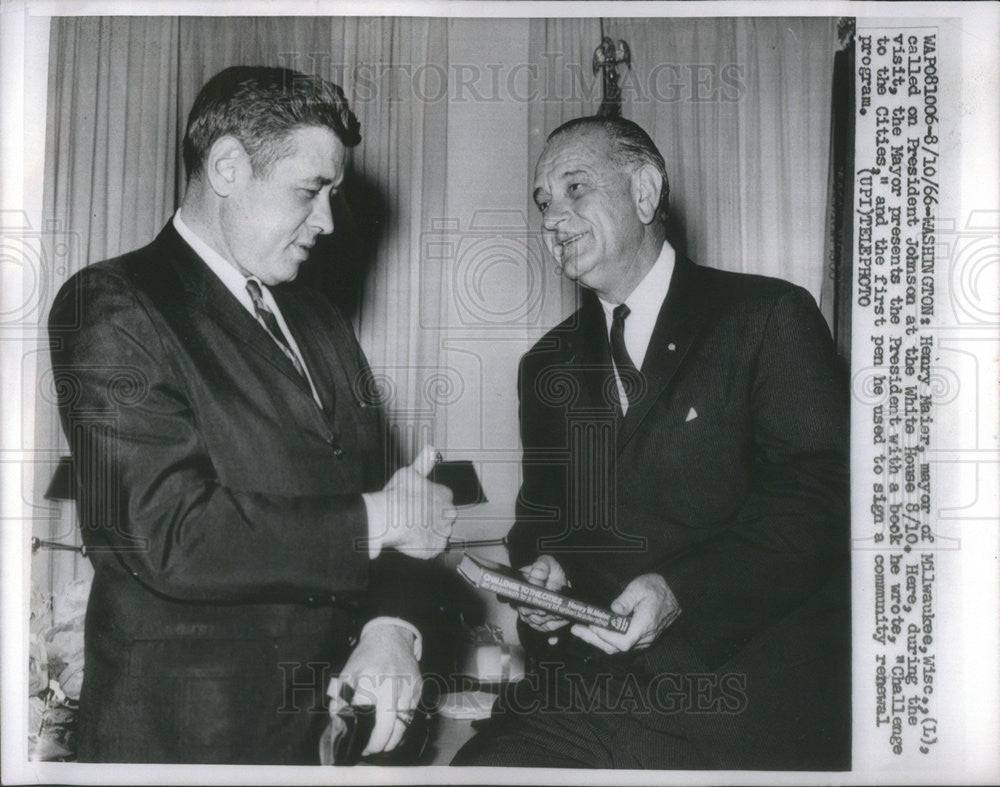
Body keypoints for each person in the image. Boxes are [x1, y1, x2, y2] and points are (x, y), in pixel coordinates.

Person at [48, 66, 456, 764]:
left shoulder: (321, 321)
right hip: (185, 745)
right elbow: (163, 531)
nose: (328, 221)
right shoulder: (113, 305)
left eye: (333, 194)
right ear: (228, 167)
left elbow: (384, 499)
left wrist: (390, 624)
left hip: (328, 736)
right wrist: (382, 519)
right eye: (309, 191)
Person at [453, 116, 850, 770]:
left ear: (645, 192)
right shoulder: (545, 365)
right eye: (544, 202)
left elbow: (824, 501)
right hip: (581, 692)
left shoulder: (766, 316)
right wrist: (544, 575)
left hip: (735, 696)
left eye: (575, 188)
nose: (553, 218)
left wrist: (683, 590)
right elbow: (541, 523)